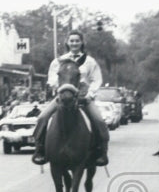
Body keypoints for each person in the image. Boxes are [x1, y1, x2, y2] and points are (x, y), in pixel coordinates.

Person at [30, 30, 110, 167]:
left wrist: (89, 94)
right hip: (63, 96)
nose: (74, 43)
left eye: (77, 40)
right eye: (72, 41)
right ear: (67, 42)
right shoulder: (58, 61)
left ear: (82, 42)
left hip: (83, 98)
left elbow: (96, 80)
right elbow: (52, 79)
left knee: (99, 120)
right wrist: (60, 89)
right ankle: (40, 149)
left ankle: (101, 151)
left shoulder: (90, 62)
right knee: (42, 117)